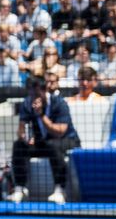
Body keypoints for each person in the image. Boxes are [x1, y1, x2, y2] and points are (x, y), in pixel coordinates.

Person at [6, 75, 77, 204]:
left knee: (53, 145)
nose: (34, 98)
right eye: (31, 94)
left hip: (67, 140)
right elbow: (21, 129)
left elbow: (60, 132)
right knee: (19, 146)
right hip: (44, 143)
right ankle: (20, 188)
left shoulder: (59, 103)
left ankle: (60, 190)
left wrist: (41, 115)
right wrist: (25, 138)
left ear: (45, 91)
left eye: (36, 94)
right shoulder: (27, 103)